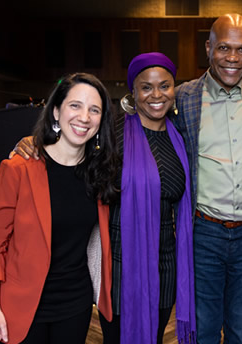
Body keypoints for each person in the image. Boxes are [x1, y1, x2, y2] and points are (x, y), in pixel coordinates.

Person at [11, 53, 196, 344]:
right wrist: (34, 142)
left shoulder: (180, 137)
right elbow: (70, 149)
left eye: (165, 85)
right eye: (146, 87)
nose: (156, 94)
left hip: (166, 263)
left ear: (175, 89)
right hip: (120, 264)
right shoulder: (113, 133)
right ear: (132, 92)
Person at [0, 73, 118, 344]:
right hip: (20, 304)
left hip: (74, 304)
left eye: (94, 110)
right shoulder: (18, 169)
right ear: (56, 111)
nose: (84, 117)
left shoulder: (100, 174)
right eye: (75, 105)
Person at [173, 14, 242, 344]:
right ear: (208, 48)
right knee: (202, 330)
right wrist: (43, 138)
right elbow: (135, 123)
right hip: (203, 232)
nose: (233, 58)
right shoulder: (182, 99)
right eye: (224, 48)